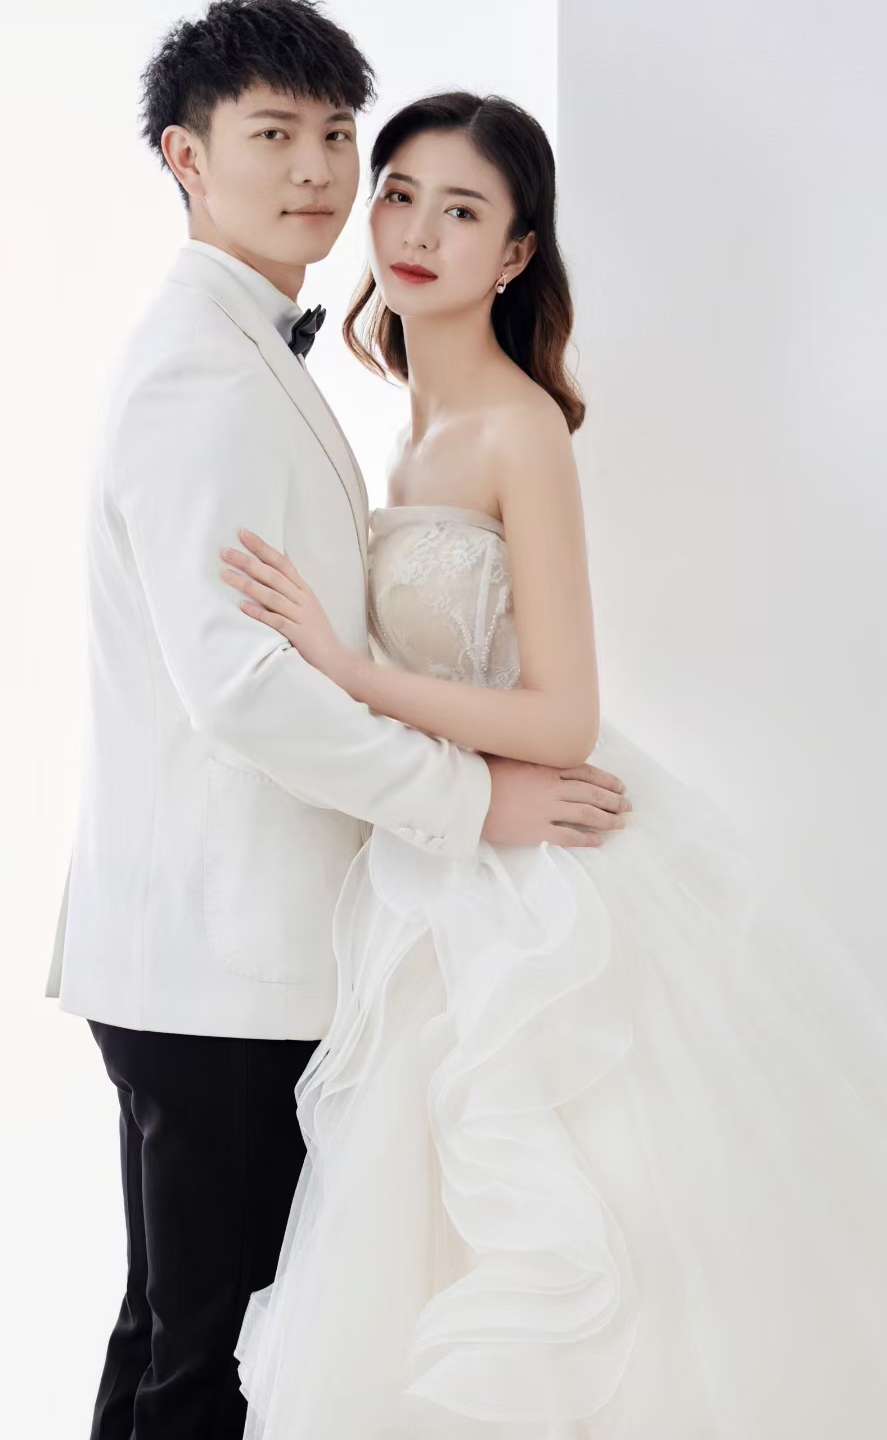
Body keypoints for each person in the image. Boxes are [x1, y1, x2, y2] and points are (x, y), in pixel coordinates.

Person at [223, 90, 887, 1438]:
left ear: (517, 253)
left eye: (464, 210)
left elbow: (563, 715)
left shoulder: (516, 427)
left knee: (590, 1239)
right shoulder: (403, 427)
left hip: (537, 877)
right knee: (425, 1234)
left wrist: (347, 668)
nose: (418, 232)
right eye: (399, 194)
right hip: (440, 864)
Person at [47, 6, 627, 1438]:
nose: (316, 171)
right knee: (204, 1357)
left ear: (518, 249)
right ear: (186, 158)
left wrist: (376, 692)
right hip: (218, 957)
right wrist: (473, 799)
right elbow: (242, 689)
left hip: (263, 949)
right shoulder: (202, 366)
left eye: (332, 136)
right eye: (273, 135)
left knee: (183, 1336)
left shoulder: (280, 361)